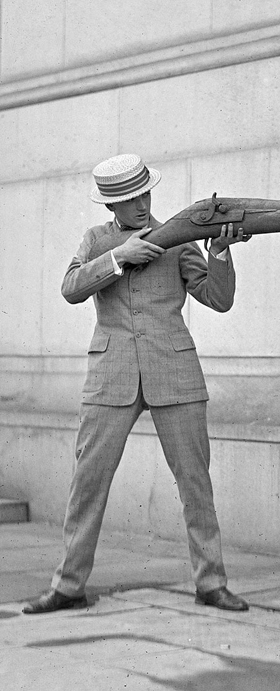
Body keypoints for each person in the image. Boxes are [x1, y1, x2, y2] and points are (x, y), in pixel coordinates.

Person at [23, 153, 251, 614]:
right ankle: (68, 585)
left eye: (145, 193)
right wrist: (117, 258)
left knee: (195, 485)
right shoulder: (95, 239)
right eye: (130, 199)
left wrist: (219, 253)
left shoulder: (178, 236)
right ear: (112, 206)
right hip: (111, 376)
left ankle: (211, 583)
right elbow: (70, 288)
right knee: (87, 484)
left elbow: (218, 299)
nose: (142, 204)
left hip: (175, 372)